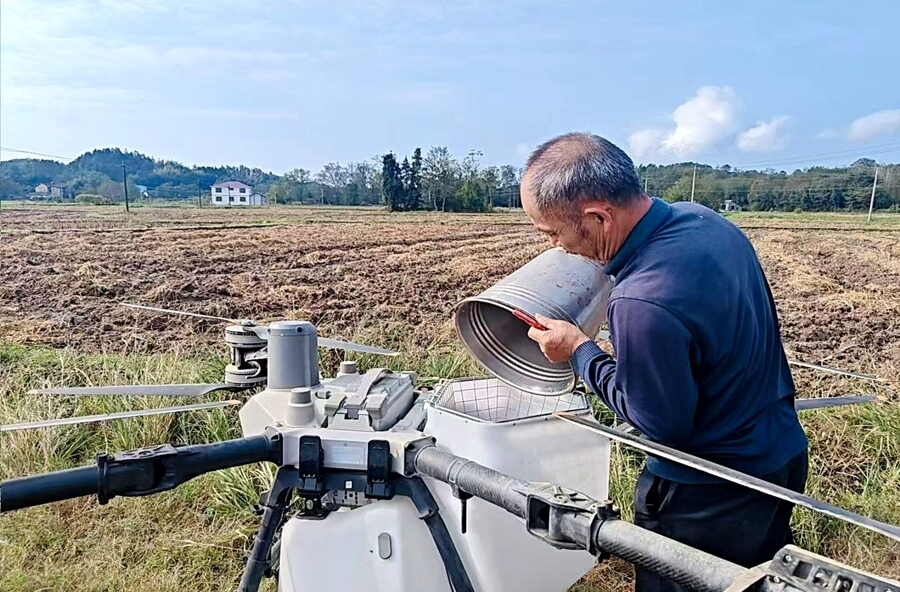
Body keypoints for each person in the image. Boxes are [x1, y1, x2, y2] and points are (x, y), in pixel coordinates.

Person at [520, 132, 808, 591]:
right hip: (779, 457)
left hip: (709, 492)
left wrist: (579, 351)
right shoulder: (705, 222)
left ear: (597, 216)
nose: (558, 247)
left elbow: (661, 425)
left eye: (554, 232)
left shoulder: (642, 302)